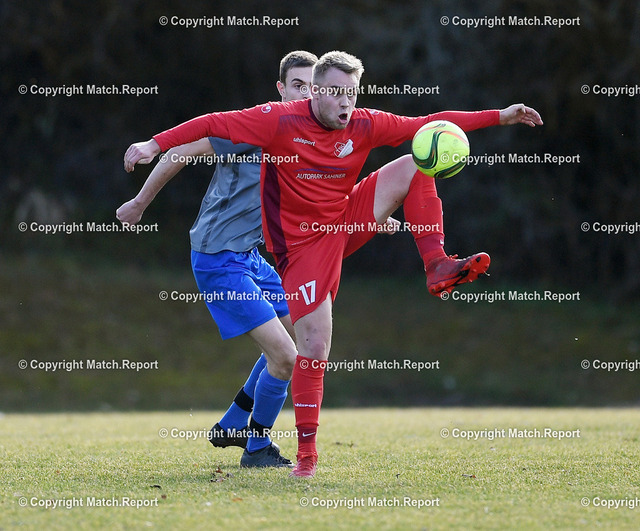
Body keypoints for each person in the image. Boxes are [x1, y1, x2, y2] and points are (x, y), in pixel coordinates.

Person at [123, 50, 543, 478]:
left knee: (417, 161)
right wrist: (153, 147)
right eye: (333, 92)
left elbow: (428, 122)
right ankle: (297, 454)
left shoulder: (362, 123)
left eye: (352, 93)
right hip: (284, 251)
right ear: (308, 92)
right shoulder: (274, 121)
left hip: (324, 228)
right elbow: (208, 125)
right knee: (307, 350)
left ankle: (436, 263)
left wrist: (499, 117)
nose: (345, 102)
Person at [117, 51, 318, 468]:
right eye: (298, 85)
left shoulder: (311, 139)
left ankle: (233, 422)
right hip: (218, 259)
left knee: (301, 341)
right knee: (285, 357)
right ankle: (257, 448)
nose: (305, 94)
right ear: (281, 89)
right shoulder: (256, 126)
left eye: (313, 87)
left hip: (251, 258)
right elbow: (183, 151)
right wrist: (139, 203)